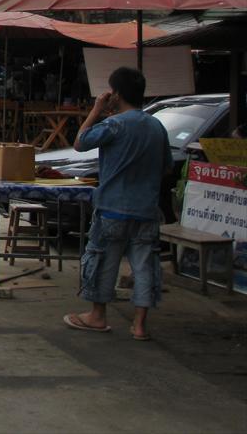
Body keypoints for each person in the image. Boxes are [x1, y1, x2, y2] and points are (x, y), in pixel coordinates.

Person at [64, 66, 171, 341]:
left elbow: (80, 142)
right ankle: (139, 325)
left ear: (116, 94)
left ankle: (97, 316)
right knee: (144, 266)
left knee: (104, 261)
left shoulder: (115, 124)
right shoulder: (157, 126)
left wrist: (97, 109)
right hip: (146, 209)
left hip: (113, 207)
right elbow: (166, 166)